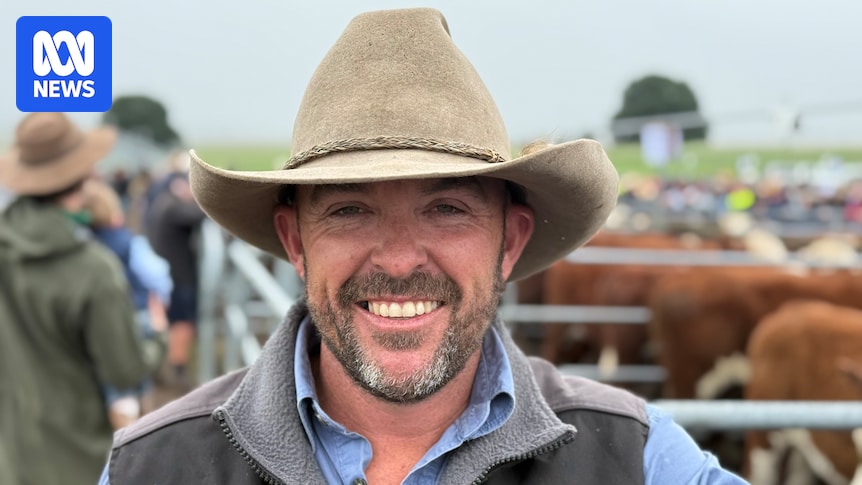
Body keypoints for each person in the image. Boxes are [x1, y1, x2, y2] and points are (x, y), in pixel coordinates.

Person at [101, 8, 747, 484]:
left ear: (510, 242)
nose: (401, 258)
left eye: (447, 209)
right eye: (350, 210)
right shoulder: (152, 466)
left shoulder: (636, 456)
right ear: (295, 243)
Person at [0, 112, 165, 485]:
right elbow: (124, 370)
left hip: (10, 455)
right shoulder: (93, 270)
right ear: (84, 176)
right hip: (76, 460)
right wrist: (156, 336)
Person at [82, 178, 173, 429]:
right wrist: (161, 300)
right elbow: (158, 274)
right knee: (137, 374)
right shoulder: (129, 243)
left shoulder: (82, 244)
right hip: (137, 313)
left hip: (98, 320)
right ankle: (140, 428)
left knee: (109, 379)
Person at [144, 151, 207, 394]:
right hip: (179, 277)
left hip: (169, 275)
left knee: (172, 321)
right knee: (182, 321)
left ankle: (169, 368)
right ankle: (176, 371)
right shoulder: (173, 208)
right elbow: (200, 215)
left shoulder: (162, 202)